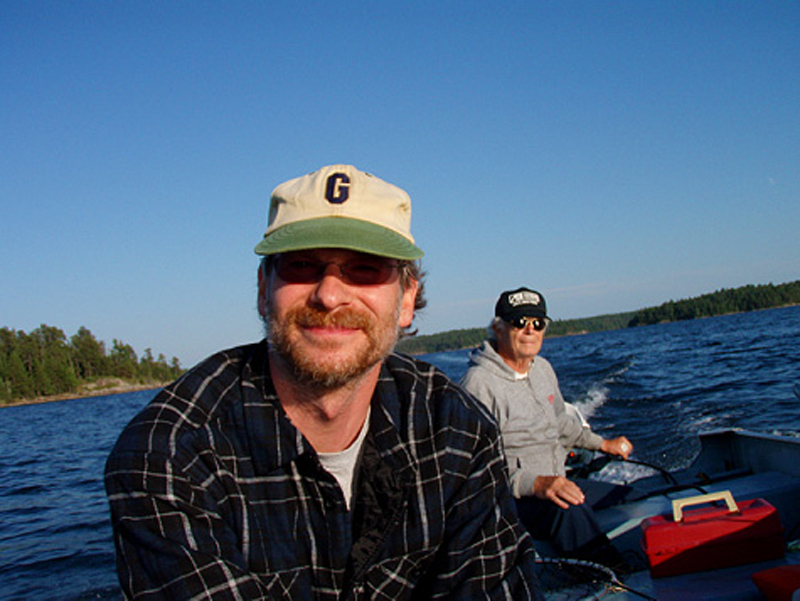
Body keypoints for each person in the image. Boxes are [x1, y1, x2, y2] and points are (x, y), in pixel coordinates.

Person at [105, 165, 540, 599]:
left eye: (365, 268)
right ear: (263, 289)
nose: (329, 295)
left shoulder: (457, 429)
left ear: (407, 300)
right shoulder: (168, 456)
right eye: (301, 266)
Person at [460, 287, 633, 567]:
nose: (530, 330)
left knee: (627, 496)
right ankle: (622, 580)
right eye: (519, 323)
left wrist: (602, 444)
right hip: (511, 501)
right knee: (570, 510)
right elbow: (473, 469)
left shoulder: (542, 369)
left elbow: (561, 422)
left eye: (537, 323)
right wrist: (536, 484)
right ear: (499, 328)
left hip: (557, 483)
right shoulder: (478, 385)